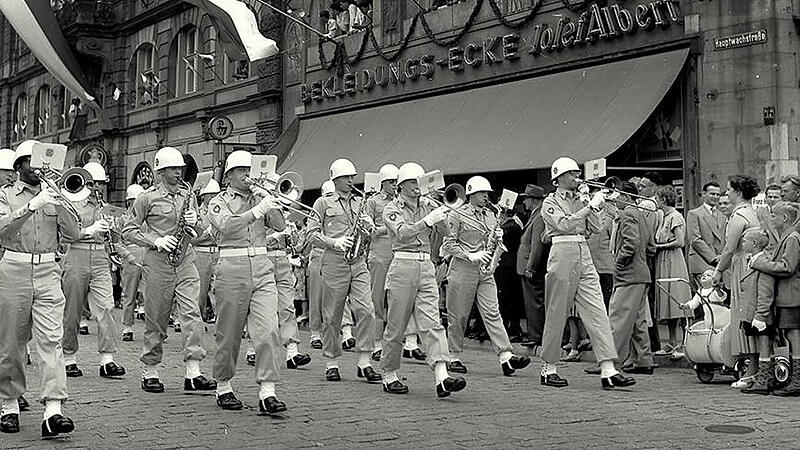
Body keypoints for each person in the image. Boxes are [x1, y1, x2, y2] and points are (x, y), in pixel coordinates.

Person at [0, 140, 80, 437]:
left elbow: (73, 233)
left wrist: (59, 202)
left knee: (51, 340)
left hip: (48, 270)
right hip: (14, 268)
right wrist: (32, 205)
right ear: (19, 165)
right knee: (11, 342)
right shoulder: (5, 195)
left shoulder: (54, 193)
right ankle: (9, 404)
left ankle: (53, 410)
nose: (40, 169)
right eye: (33, 163)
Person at [122, 146, 216, 394]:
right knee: (157, 319)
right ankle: (150, 371)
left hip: (186, 261)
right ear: (160, 171)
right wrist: (156, 240)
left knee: (192, 314)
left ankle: (193, 372)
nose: (178, 172)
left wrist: (196, 221)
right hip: (158, 262)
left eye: (179, 168)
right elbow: (128, 230)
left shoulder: (188, 194)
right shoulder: (146, 198)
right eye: (172, 169)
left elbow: (198, 231)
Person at [539, 157, 634, 390]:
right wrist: (589, 207)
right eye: (572, 174)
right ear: (559, 178)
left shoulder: (581, 198)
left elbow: (597, 227)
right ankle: (548, 368)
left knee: (597, 310)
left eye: (577, 173)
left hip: (583, 251)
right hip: (562, 251)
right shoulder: (550, 201)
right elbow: (564, 225)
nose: (577, 177)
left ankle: (608, 368)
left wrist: (593, 204)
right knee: (557, 311)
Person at [206, 150, 288, 414]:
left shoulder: (259, 196)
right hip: (232, 267)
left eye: (249, 170)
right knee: (229, 332)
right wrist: (257, 210)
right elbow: (228, 226)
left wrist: (270, 199)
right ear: (229, 176)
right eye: (242, 170)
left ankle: (268, 391)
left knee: (269, 329)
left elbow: (280, 225)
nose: (247, 175)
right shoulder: (218, 201)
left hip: (262, 267)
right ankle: (223, 385)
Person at [380, 162, 466, 396]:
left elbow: (447, 233)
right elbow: (403, 232)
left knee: (432, 321)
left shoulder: (427, 205)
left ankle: (442, 376)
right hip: (402, 264)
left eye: (419, 182)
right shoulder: (391, 208)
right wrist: (427, 220)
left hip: (426, 264)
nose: (418, 187)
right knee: (397, 324)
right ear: (401, 185)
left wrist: (441, 214)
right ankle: (389, 374)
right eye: (413, 182)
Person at [443, 176, 530, 376]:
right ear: (471, 194)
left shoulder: (491, 215)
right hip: (463, 269)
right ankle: (453, 356)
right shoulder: (457, 214)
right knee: (459, 315)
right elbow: (449, 244)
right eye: (482, 193)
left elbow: (492, 240)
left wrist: (498, 238)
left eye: (487, 193)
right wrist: (469, 255)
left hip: (485, 270)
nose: (486, 196)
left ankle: (506, 356)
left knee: (492, 312)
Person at [308, 159, 381, 383]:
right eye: (346, 177)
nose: (351, 181)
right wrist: (334, 242)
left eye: (352, 177)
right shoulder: (322, 202)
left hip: (358, 262)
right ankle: (331, 363)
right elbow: (311, 234)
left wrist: (370, 228)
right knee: (332, 315)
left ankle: (364, 362)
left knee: (366, 310)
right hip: (334, 261)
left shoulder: (360, 202)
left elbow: (370, 235)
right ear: (336, 179)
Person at [60, 161, 126, 379]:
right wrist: (90, 229)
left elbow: (115, 238)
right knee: (72, 310)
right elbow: (65, 234)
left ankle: (107, 359)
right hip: (77, 254)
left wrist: (114, 228)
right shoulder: (71, 204)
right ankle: (69, 357)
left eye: (101, 183)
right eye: (94, 183)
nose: (98, 187)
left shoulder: (105, 207)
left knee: (106, 307)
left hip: (99, 256)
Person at [749, 202, 800, 396]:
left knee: (794, 335)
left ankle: (797, 380)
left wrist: (760, 263)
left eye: (773, 215)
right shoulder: (787, 236)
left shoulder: (792, 238)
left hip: (791, 295)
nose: (771, 218)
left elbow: (788, 267)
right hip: (787, 295)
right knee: (790, 335)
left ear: (784, 218)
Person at [712, 174, 761, 376]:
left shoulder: (739, 216)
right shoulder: (751, 212)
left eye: (729, 190)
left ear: (738, 192)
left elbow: (729, 249)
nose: (726, 193)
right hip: (748, 263)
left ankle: (752, 366)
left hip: (742, 266)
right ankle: (752, 364)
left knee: (743, 312)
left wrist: (718, 271)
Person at [607, 182, 655, 375]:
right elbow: (650, 245)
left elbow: (630, 243)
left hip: (629, 274)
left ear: (626, 196)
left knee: (618, 319)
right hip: (641, 273)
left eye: (616, 195)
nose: (614, 199)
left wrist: (619, 262)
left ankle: (611, 362)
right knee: (637, 320)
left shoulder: (627, 214)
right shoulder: (640, 214)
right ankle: (643, 360)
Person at [734, 228, 776, 394]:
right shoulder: (751, 260)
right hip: (750, 312)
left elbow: (765, 293)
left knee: (764, 345)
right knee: (757, 343)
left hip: (760, 314)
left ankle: (765, 379)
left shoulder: (762, 264)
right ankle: (760, 376)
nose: (742, 243)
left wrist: (761, 315)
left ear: (754, 243)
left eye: (745, 241)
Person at [653, 185, 691, 359]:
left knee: (676, 299)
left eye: (658, 198)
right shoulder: (663, 216)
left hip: (673, 259)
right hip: (663, 260)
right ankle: (671, 342)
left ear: (663, 199)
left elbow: (680, 241)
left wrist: (660, 246)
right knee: (667, 301)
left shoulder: (675, 216)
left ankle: (682, 344)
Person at [365, 164, 398, 360]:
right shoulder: (373, 202)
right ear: (383, 183)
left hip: (398, 252)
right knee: (377, 298)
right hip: (379, 253)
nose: (395, 185)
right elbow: (370, 231)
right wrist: (394, 226)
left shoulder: (401, 201)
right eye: (391, 182)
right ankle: (376, 343)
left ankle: (402, 342)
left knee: (398, 299)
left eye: (396, 182)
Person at [516, 184, 548, 350]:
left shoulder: (539, 216)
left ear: (533, 199)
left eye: (526, 198)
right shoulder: (535, 215)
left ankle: (536, 335)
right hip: (527, 265)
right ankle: (533, 333)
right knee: (531, 302)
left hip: (531, 267)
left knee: (534, 302)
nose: (524, 202)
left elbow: (537, 246)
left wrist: (531, 267)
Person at [119, 184, 146, 342]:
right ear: (129, 201)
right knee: (129, 294)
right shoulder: (122, 219)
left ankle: (153, 328)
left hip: (148, 256)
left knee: (151, 295)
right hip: (131, 257)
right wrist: (128, 255)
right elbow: (117, 242)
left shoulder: (147, 218)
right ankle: (127, 326)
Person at [686, 182, 725, 289]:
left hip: (720, 263)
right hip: (703, 261)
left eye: (718, 194)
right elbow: (695, 240)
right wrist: (714, 258)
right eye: (712, 194)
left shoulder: (722, 215)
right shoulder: (694, 214)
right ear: (704, 194)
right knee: (704, 296)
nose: (715, 197)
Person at [195, 179, 221, 322]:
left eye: (215, 194)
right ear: (203, 196)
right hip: (202, 253)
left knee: (219, 288)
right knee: (200, 290)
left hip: (218, 252)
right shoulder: (197, 213)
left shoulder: (222, 210)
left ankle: (220, 321)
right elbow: (193, 238)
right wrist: (208, 234)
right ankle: (198, 320)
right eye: (210, 195)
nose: (213, 197)